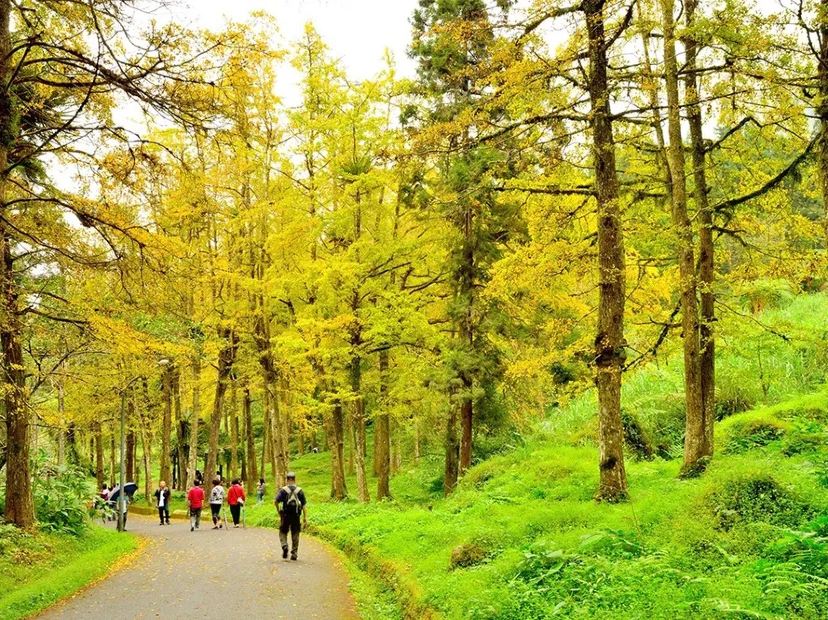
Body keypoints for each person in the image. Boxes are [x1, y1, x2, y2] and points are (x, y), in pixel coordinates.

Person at [275, 472, 307, 561]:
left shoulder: (283, 490)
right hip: (296, 515)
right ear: (294, 479)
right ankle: (294, 553)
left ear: (287, 479)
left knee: (282, 531)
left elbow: (276, 501)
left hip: (285, 515)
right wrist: (305, 518)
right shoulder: (299, 491)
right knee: (295, 533)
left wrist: (278, 511)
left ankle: (284, 545)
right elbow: (304, 506)